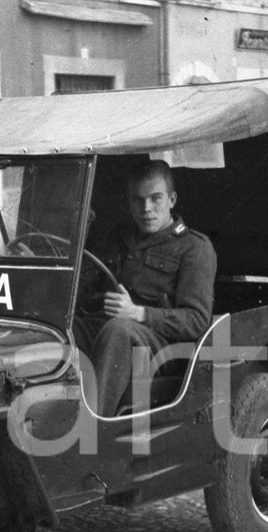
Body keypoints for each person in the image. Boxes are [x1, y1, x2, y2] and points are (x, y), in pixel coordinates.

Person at [73, 160, 217, 417]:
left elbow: (197, 320)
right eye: (137, 200)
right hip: (110, 330)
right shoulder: (120, 238)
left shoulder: (195, 248)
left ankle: (92, 427)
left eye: (155, 198)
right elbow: (82, 286)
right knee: (66, 328)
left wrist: (139, 313)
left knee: (119, 330)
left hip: (163, 347)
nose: (146, 208)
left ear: (172, 200)